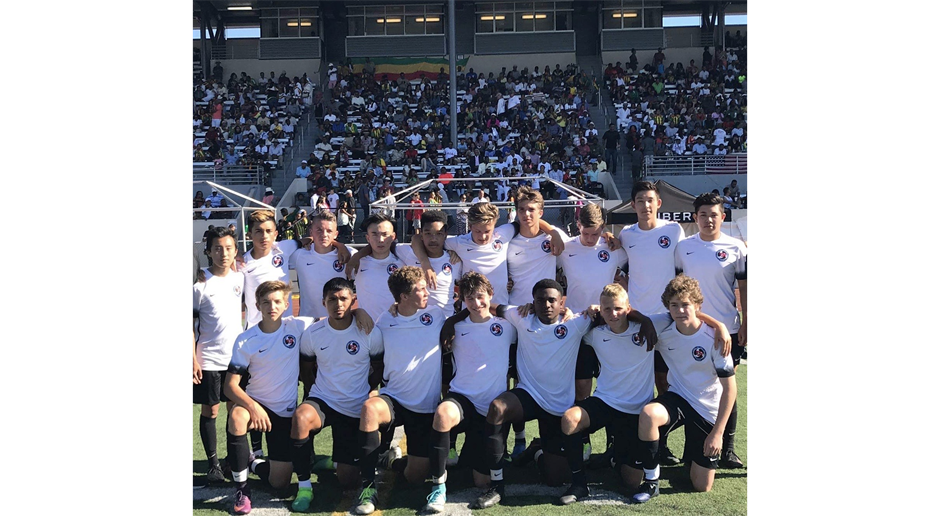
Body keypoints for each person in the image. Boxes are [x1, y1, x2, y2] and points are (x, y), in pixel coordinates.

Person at [457, 279, 651, 509]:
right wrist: (452, 322)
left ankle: (537, 450)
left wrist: (644, 320)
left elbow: (614, 311)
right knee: (498, 407)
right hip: (528, 395)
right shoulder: (520, 317)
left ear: (562, 302)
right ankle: (497, 486)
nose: (546, 304)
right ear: (533, 302)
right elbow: (486, 306)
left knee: (555, 478)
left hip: (558, 406)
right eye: (540, 300)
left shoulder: (577, 322)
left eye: (552, 300)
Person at [557, 282, 730, 505]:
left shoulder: (652, 325)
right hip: (606, 401)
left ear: (629, 308)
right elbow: (566, 327)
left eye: (618, 308)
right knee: (570, 419)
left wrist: (721, 326)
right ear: (600, 309)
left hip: (638, 410)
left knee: (647, 482)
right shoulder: (594, 332)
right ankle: (579, 483)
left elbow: (687, 312)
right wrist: (576, 312)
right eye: (607, 309)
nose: (613, 313)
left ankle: (618, 457)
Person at [631, 275, 737, 503]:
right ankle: (651, 481)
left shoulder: (716, 339)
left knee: (701, 486)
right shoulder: (663, 326)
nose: (680, 310)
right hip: (677, 397)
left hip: (706, 408)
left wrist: (717, 434)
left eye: (686, 304)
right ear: (667, 307)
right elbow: (630, 314)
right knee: (649, 414)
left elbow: (730, 390)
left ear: (698, 305)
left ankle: (693, 456)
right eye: (674, 305)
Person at [353, 266, 445, 515]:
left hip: (425, 406)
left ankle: (391, 460)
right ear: (403, 297)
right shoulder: (386, 320)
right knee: (370, 409)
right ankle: (367, 488)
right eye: (421, 289)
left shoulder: (438, 315)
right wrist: (359, 309)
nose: (427, 293)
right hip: (394, 398)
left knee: (416, 476)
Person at [422, 272, 517, 513]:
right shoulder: (454, 327)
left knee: (481, 481)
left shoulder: (507, 327)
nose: (476, 304)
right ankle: (438, 487)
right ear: (462, 299)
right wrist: (452, 321)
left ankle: (472, 456)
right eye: (470, 298)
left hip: (492, 409)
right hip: (462, 399)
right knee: (443, 414)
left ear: (491, 295)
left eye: (481, 297)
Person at [223, 280, 316, 515]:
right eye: (266, 302)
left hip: (283, 413)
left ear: (286, 304)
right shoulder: (246, 339)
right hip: (254, 406)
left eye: (277, 302)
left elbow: (334, 319)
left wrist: (360, 313)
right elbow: (230, 387)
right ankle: (242, 490)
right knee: (236, 417)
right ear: (257, 305)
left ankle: (252, 462)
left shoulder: (298, 326)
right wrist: (254, 407)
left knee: (280, 483)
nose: (271, 306)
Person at [290, 278, 383, 512]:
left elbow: (378, 368)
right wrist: (312, 392)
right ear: (323, 302)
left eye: (343, 298)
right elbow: (306, 366)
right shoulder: (313, 333)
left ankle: (336, 461)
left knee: (347, 479)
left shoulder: (369, 331)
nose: (338, 304)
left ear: (353, 300)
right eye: (332, 299)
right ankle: (304, 487)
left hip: (354, 406)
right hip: (324, 400)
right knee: (301, 417)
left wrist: (369, 388)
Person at [675, 192, 748, 469]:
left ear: (723, 217)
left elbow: (744, 289)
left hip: (728, 331)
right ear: (695, 218)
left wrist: (746, 322)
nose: (708, 219)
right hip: (693, 329)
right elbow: (680, 290)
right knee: (693, 386)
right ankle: (691, 448)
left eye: (713, 214)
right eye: (703, 215)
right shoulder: (683, 248)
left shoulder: (736, 247)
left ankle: (727, 449)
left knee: (724, 387)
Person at [616, 180, 686, 466]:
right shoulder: (625, 234)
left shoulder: (673, 230)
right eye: (640, 200)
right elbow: (621, 267)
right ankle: (619, 444)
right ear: (632, 205)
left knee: (664, 382)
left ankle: (661, 442)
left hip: (668, 321)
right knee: (632, 383)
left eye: (650, 200)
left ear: (659, 203)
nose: (645, 205)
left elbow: (682, 271)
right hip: (635, 321)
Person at [192, 226, 245, 484]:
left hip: (236, 359)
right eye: (217, 248)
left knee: (234, 409)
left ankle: (229, 460)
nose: (223, 253)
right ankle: (213, 464)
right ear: (209, 251)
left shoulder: (240, 278)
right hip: (209, 359)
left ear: (236, 250)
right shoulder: (199, 282)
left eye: (228, 248)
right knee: (211, 411)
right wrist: (192, 359)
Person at [288, 211, 348, 319]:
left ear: (336, 234)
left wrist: (340, 245)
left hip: (338, 322)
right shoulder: (299, 255)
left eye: (329, 231)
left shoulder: (347, 254)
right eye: (319, 230)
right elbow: (274, 253)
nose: (324, 234)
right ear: (311, 232)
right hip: (308, 323)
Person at [348, 213, 405, 321]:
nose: (380, 239)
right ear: (368, 238)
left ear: (393, 237)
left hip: (396, 326)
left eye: (385, 234)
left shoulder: (404, 262)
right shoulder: (357, 262)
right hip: (367, 329)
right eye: (374, 234)